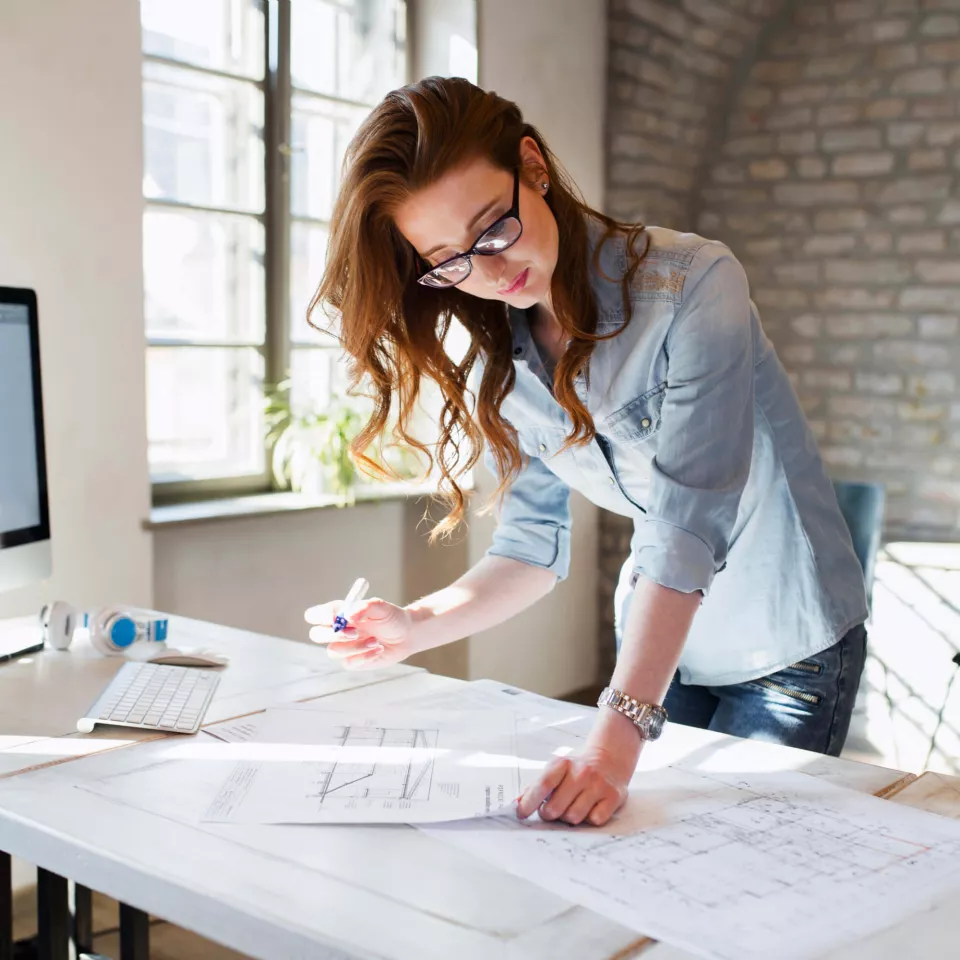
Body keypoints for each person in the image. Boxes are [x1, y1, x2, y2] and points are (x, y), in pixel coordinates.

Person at [303, 76, 869, 828]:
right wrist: (416, 624)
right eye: (451, 260)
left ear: (532, 165)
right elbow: (531, 549)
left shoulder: (696, 285)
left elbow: (687, 524)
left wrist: (617, 731)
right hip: (669, 651)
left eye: (494, 227)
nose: (491, 273)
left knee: (752, 886)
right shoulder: (503, 364)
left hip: (789, 644)